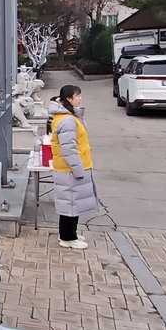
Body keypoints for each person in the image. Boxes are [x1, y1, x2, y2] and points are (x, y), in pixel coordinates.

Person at [47, 84, 97, 250]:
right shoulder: (67, 120)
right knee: (70, 203)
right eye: (77, 96)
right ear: (68, 99)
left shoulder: (68, 117)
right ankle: (67, 237)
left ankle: (71, 233)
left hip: (71, 167)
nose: (80, 99)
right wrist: (78, 169)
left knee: (72, 202)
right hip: (70, 169)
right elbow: (68, 149)